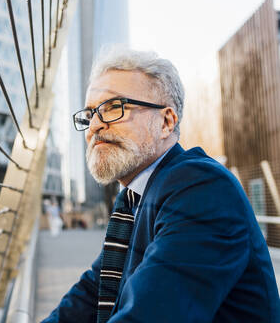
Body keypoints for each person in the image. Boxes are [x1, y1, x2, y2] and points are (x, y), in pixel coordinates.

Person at [42, 47, 279, 322]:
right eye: (90, 113)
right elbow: (95, 289)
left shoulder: (202, 190)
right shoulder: (135, 197)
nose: (94, 125)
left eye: (113, 107)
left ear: (166, 122)